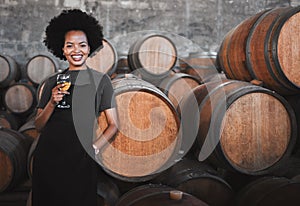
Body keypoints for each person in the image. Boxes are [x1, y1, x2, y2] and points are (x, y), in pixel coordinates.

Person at [32, 9, 118, 206]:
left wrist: (95, 148)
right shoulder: (52, 81)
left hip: (81, 158)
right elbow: (38, 125)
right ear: (62, 49)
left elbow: (113, 125)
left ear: (89, 48)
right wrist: (52, 102)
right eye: (69, 46)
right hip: (49, 156)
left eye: (82, 45)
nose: (76, 50)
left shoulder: (101, 81)